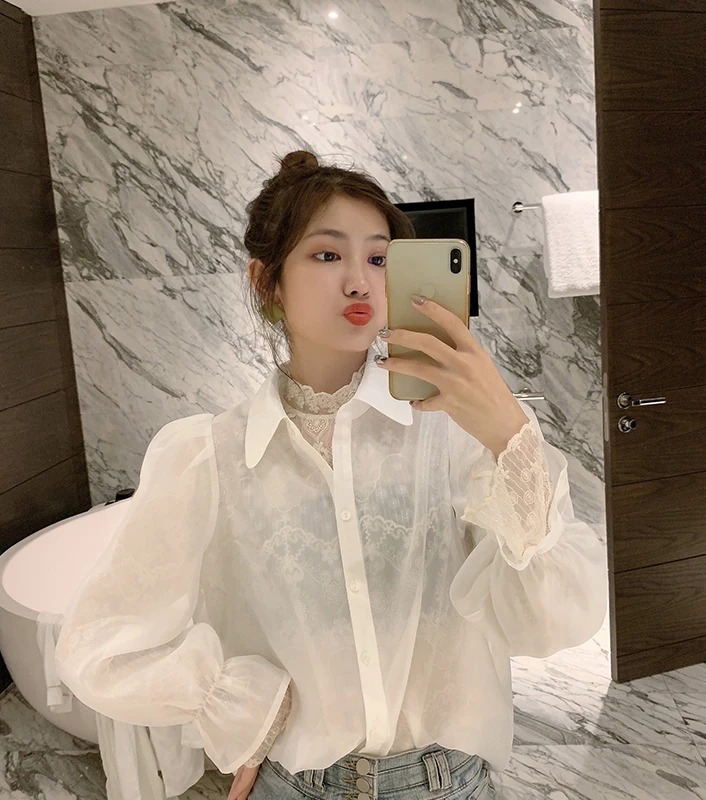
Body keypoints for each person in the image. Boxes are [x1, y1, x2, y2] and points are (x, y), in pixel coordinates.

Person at [54, 150, 608, 800]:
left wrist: (510, 435)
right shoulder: (209, 455)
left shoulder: (455, 434)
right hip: (294, 784)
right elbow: (99, 644)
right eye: (327, 255)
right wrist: (242, 706)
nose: (359, 282)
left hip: (446, 783)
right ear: (267, 281)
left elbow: (552, 621)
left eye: (379, 258)